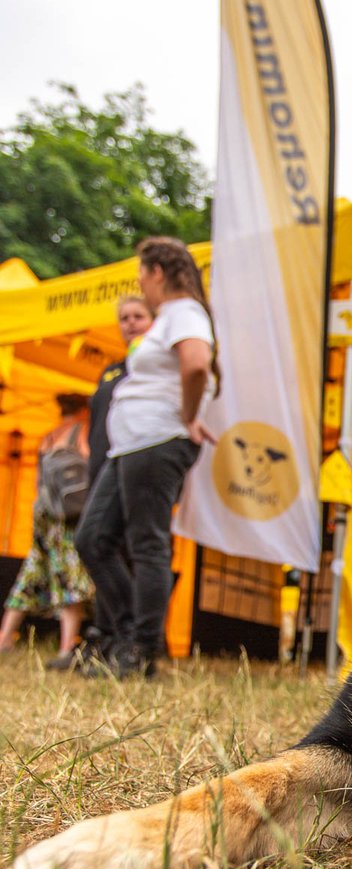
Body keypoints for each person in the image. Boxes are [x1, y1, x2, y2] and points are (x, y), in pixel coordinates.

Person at [75, 238, 217, 677]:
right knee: (93, 538)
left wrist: (190, 416)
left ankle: (139, 652)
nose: (142, 283)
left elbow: (196, 364)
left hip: (157, 441)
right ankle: (122, 639)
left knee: (147, 544)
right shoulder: (169, 318)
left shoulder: (186, 312)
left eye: (142, 275)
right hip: (130, 445)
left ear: (157, 272)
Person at [83, 294, 154, 661]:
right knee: (96, 546)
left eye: (138, 315)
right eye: (124, 317)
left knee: (131, 553)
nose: (130, 322)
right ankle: (105, 634)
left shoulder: (152, 369)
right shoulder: (111, 370)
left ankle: (132, 638)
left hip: (137, 469)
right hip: (102, 470)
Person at [0, 395, 96, 668]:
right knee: (70, 577)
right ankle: (68, 647)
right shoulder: (80, 433)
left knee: (32, 571)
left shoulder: (48, 437)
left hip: (41, 513)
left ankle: (5, 638)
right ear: (82, 410)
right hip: (64, 517)